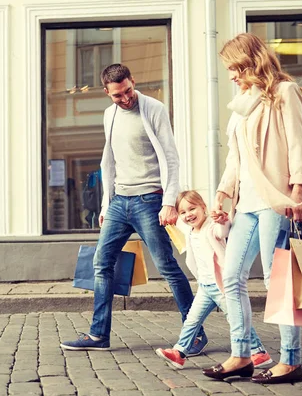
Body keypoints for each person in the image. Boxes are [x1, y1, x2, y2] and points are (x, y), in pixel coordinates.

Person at [61, 64, 206, 354]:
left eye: (127, 91)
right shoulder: (109, 114)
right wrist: (106, 203)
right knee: (101, 263)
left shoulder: (154, 108)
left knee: (166, 267)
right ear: (106, 92)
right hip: (119, 202)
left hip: (149, 201)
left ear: (133, 82)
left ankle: (195, 335)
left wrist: (169, 203)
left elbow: (171, 158)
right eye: (117, 95)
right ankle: (98, 335)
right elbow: (109, 159)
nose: (125, 98)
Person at [201, 33, 302, 383]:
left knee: (275, 279)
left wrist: (298, 191)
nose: (231, 75)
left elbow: (297, 144)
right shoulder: (242, 102)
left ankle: (291, 361)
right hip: (245, 204)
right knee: (230, 278)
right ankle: (241, 355)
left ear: (251, 61)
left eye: (233, 67)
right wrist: (222, 192)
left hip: (274, 201)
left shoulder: (284, 91)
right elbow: (235, 156)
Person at [155, 191, 272, 370]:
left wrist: (222, 219)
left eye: (192, 209)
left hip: (221, 285)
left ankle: (258, 352)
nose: (189, 215)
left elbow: (222, 231)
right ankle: (179, 353)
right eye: (183, 212)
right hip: (204, 287)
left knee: (235, 318)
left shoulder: (211, 226)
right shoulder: (191, 231)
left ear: (203, 207)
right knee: (192, 320)